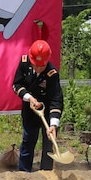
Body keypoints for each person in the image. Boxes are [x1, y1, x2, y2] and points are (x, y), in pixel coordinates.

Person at [12, 39, 63, 172]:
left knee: (48, 143)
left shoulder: (52, 74)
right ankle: (24, 171)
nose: (39, 68)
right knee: (28, 140)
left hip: (46, 113)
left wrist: (53, 124)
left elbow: (56, 100)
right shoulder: (24, 63)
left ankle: (47, 171)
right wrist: (29, 98)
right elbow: (17, 84)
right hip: (30, 111)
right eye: (36, 65)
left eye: (42, 65)